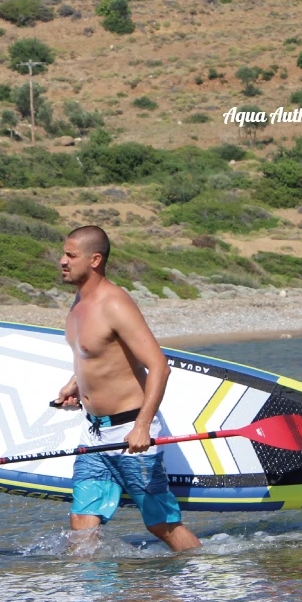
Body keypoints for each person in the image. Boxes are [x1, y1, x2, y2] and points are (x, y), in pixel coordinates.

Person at [54, 225, 201, 552]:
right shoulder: (79, 302)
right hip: (93, 434)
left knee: (161, 523)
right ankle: (95, 585)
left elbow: (159, 366)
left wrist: (143, 425)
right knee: (82, 521)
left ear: (94, 260)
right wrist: (75, 385)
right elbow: (96, 355)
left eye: (70, 255)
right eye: (64, 254)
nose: (62, 261)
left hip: (130, 432)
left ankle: (200, 570)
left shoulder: (114, 304)